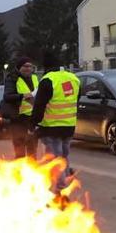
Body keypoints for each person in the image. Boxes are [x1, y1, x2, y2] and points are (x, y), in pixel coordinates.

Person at [30, 56, 80, 189]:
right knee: (64, 155)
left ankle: (60, 186)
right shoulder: (74, 78)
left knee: (55, 158)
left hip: (51, 127)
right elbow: (76, 99)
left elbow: (39, 105)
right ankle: (65, 180)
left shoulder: (48, 80)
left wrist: (33, 123)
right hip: (69, 125)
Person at [1, 57, 39, 158]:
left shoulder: (35, 77)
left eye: (30, 66)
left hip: (32, 118)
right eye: (25, 66)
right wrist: (22, 96)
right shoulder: (12, 78)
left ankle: (32, 170)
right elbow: (7, 96)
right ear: (19, 67)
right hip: (18, 118)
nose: (28, 69)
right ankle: (19, 171)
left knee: (32, 148)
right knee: (20, 148)